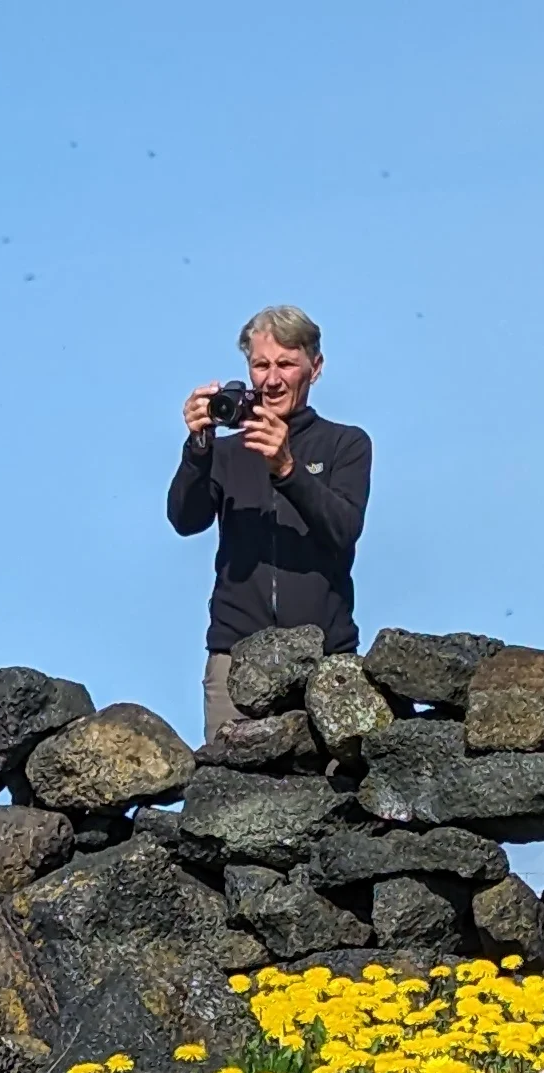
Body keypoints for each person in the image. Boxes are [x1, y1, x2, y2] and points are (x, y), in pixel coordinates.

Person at [168, 305, 371, 744]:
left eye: (285, 364)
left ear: (314, 369)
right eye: (261, 365)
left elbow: (343, 529)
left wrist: (288, 470)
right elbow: (185, 520)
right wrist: (199, 447)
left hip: (325, 658)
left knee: (336, 802)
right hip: (235, 660)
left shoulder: (346, 444)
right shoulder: (226, 453)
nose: (272, 379)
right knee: (228, 802)